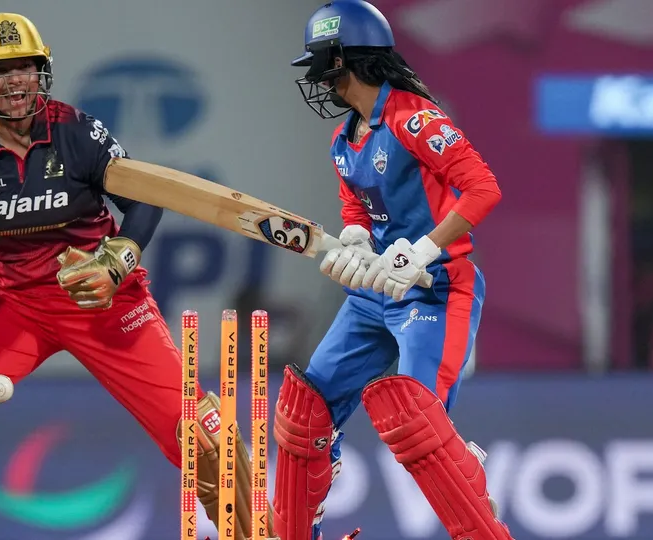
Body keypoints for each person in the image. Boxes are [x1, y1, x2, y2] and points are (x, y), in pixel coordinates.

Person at [0, 12, 269, 540]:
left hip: (99, 301)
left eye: (25, 67)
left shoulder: (77, 132)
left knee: (204, 438)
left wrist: (116, 262)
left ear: (43, 72)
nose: (14, 81)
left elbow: (143, 202)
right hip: (6, 306)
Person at [270, 2, 511, 539]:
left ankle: (470, 492)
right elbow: (357, 208)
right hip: (376, 295)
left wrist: (423, 250)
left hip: (436, 289)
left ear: (343, 61)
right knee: (305, 411)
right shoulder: (345, 141)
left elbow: (482, 188)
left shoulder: (414, 118)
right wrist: (354, 242)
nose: (315, 78)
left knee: (417, 423)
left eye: (319, 63)